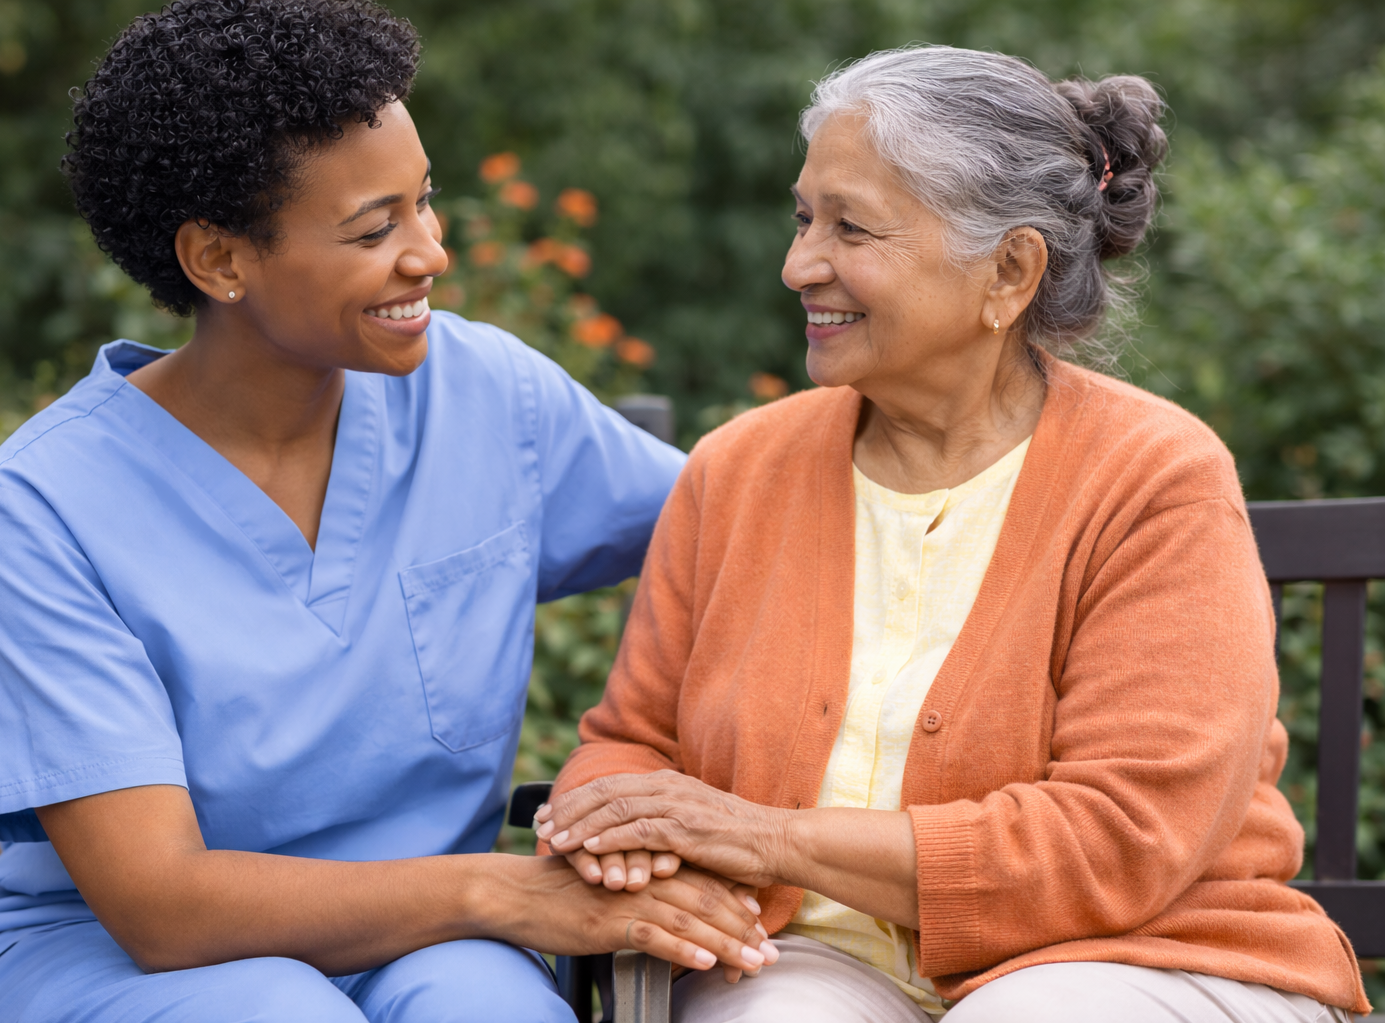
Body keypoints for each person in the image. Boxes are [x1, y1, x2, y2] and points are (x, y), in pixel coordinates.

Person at [0, 3, 775, 1022]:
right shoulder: (45, 506)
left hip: (422, 945)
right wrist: (498, 891)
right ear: (219, 261)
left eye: (426, 204)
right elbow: (160, 908)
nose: (427, 252)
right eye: (374, 228)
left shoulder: (489, 398)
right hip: (117, 956)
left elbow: (745, 524)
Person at [535, 45, 1369, 1022]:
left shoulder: (1156, 480)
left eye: (850, 228)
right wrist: (618, 823)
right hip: (809, 959)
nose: (797, 264)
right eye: (804, 217)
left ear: (1008, 271)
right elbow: (632, 742)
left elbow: (1117, 843)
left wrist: (764, 838)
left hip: (1135, 955)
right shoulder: (737, 468)